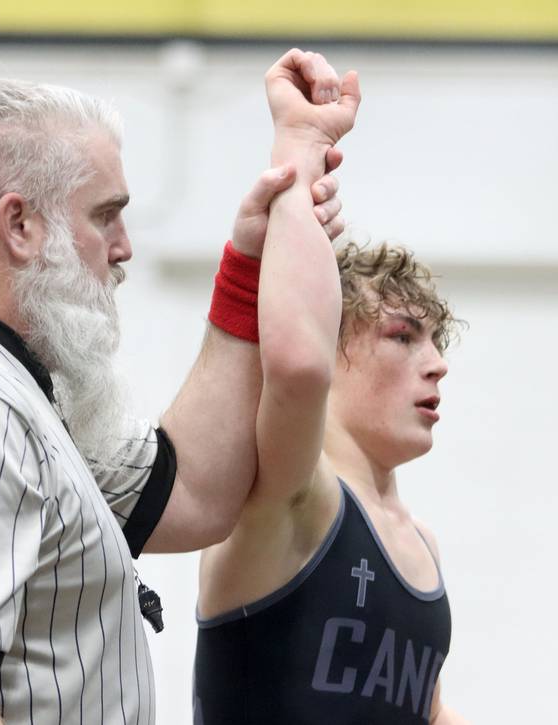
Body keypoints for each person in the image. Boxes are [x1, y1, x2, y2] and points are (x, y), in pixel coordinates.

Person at [0, 52, 348, 724]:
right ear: (19, 225)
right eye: (105, 215)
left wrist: (249, 264)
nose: (124, 247)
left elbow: (192, 492)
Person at [194, 52, 468, 724]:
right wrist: (303, 144)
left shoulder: (421, 544)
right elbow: (292, 364)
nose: (435, 363)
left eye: (437, 340)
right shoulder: (289, 497)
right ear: (332, 346)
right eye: (403, 336)